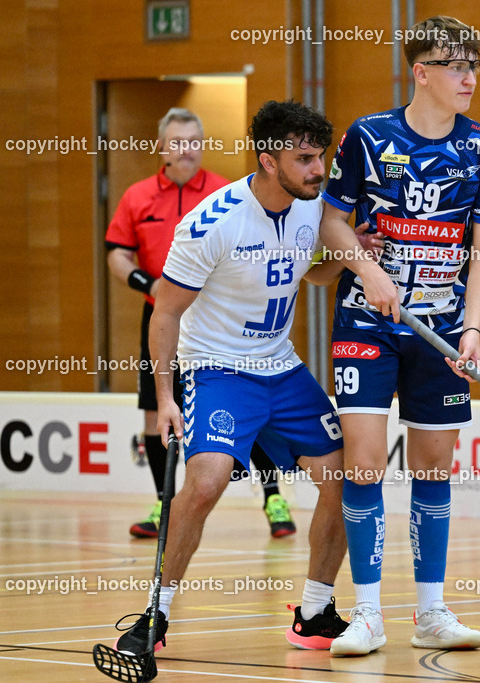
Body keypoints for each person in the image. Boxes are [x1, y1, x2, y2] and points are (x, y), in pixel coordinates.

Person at [111, 100, 383, 655]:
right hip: (218, 368)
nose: (319, 170)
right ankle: (156, 613)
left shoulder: (314, 207)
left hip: (281, 365)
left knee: (345, 478)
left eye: (321, 157)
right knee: (206, 483)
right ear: (268, 160)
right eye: (305, 159)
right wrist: (165, 397)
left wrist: (349, 256)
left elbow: (311, 276)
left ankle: (315, 612)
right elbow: (165, 313)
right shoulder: (212, 222)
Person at [316, 15, 480, 656]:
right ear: (421, 72)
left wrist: (474, 327)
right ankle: (367, 614)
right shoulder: (368, 136)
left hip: (442, 332)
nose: (469, 78)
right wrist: (367, 270)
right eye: (456, 66)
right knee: (364, 463)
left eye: (474, 66)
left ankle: (432, 611)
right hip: (366, 325)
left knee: (433, 466)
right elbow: (330, 222)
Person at [105, 107, 298, 538]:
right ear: (161, 146)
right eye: (178, 142)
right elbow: (117, 254)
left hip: (221, 317)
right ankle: (164, 504)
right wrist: (148, 284)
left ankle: (273, 497)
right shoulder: (137, 196)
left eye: (194, 142)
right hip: (164, 314)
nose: (187, 150)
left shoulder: (225, 192)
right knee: (156, 408)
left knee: (250, 404)